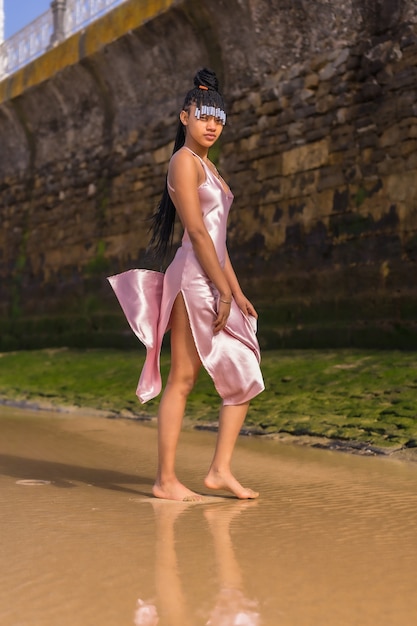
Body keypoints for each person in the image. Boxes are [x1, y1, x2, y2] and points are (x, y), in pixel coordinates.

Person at [108, 68, 264, 501]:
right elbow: (196, 234)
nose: (212, 125)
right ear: (184, 117)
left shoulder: (209, 168)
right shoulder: (183, 162)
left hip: (211, 274)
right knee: (183, 377)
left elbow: (220, 242)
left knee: (244, 367)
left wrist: (237, 290)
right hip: (194, 278)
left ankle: (218, 471)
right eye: (203, 117)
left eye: (219, 119)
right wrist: (223, 290)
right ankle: (166, 480)